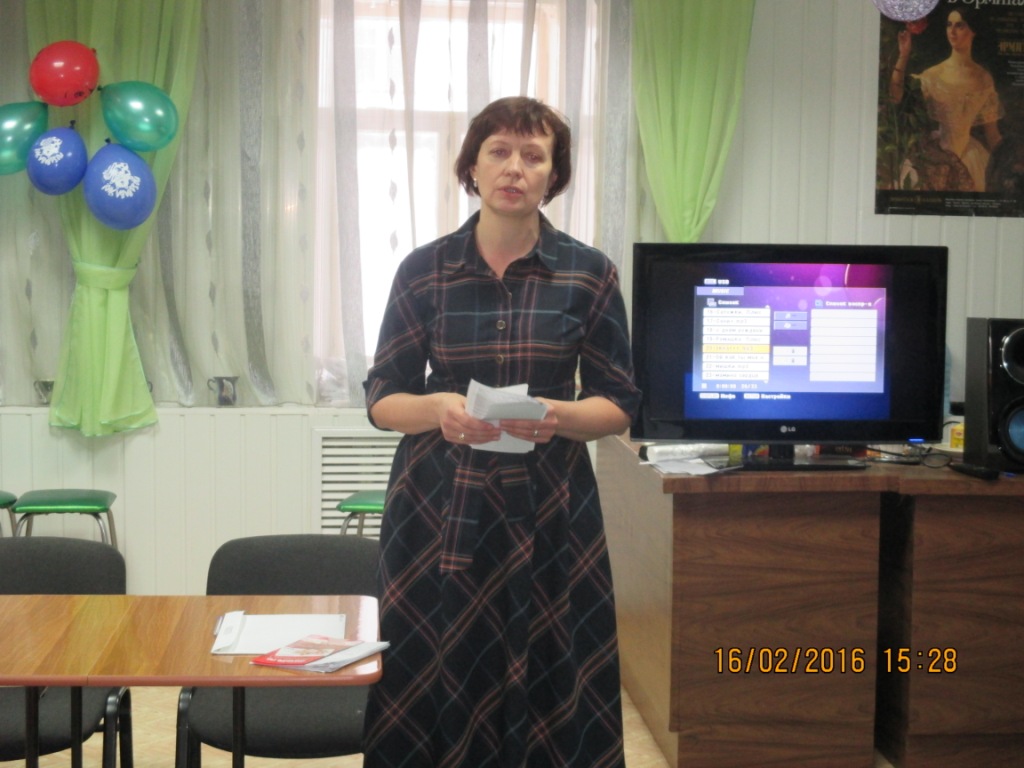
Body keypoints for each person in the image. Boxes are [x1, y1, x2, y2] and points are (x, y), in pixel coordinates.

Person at [361, 96, 640, 767]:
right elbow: (382, 398)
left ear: (554, 174)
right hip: (438, 507)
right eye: (499, 151)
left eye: (533, 155)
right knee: (434, 662)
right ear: (473, 167)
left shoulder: (589, 272)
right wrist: (438, 408)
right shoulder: (424, 270)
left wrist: (555, 416)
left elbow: (619, 403)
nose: (515, 167)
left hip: (552, 506)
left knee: (552, 663)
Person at [889, 8, 1002, 192]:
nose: (952, 31)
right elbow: (895, 96)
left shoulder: (984, 77)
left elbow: (992, 134)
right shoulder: (935, 74)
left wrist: (1008, 164)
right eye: (949, 25)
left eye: (960, 26)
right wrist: (903, 55)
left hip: (973, 158)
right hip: (937, 154)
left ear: (973, 31)